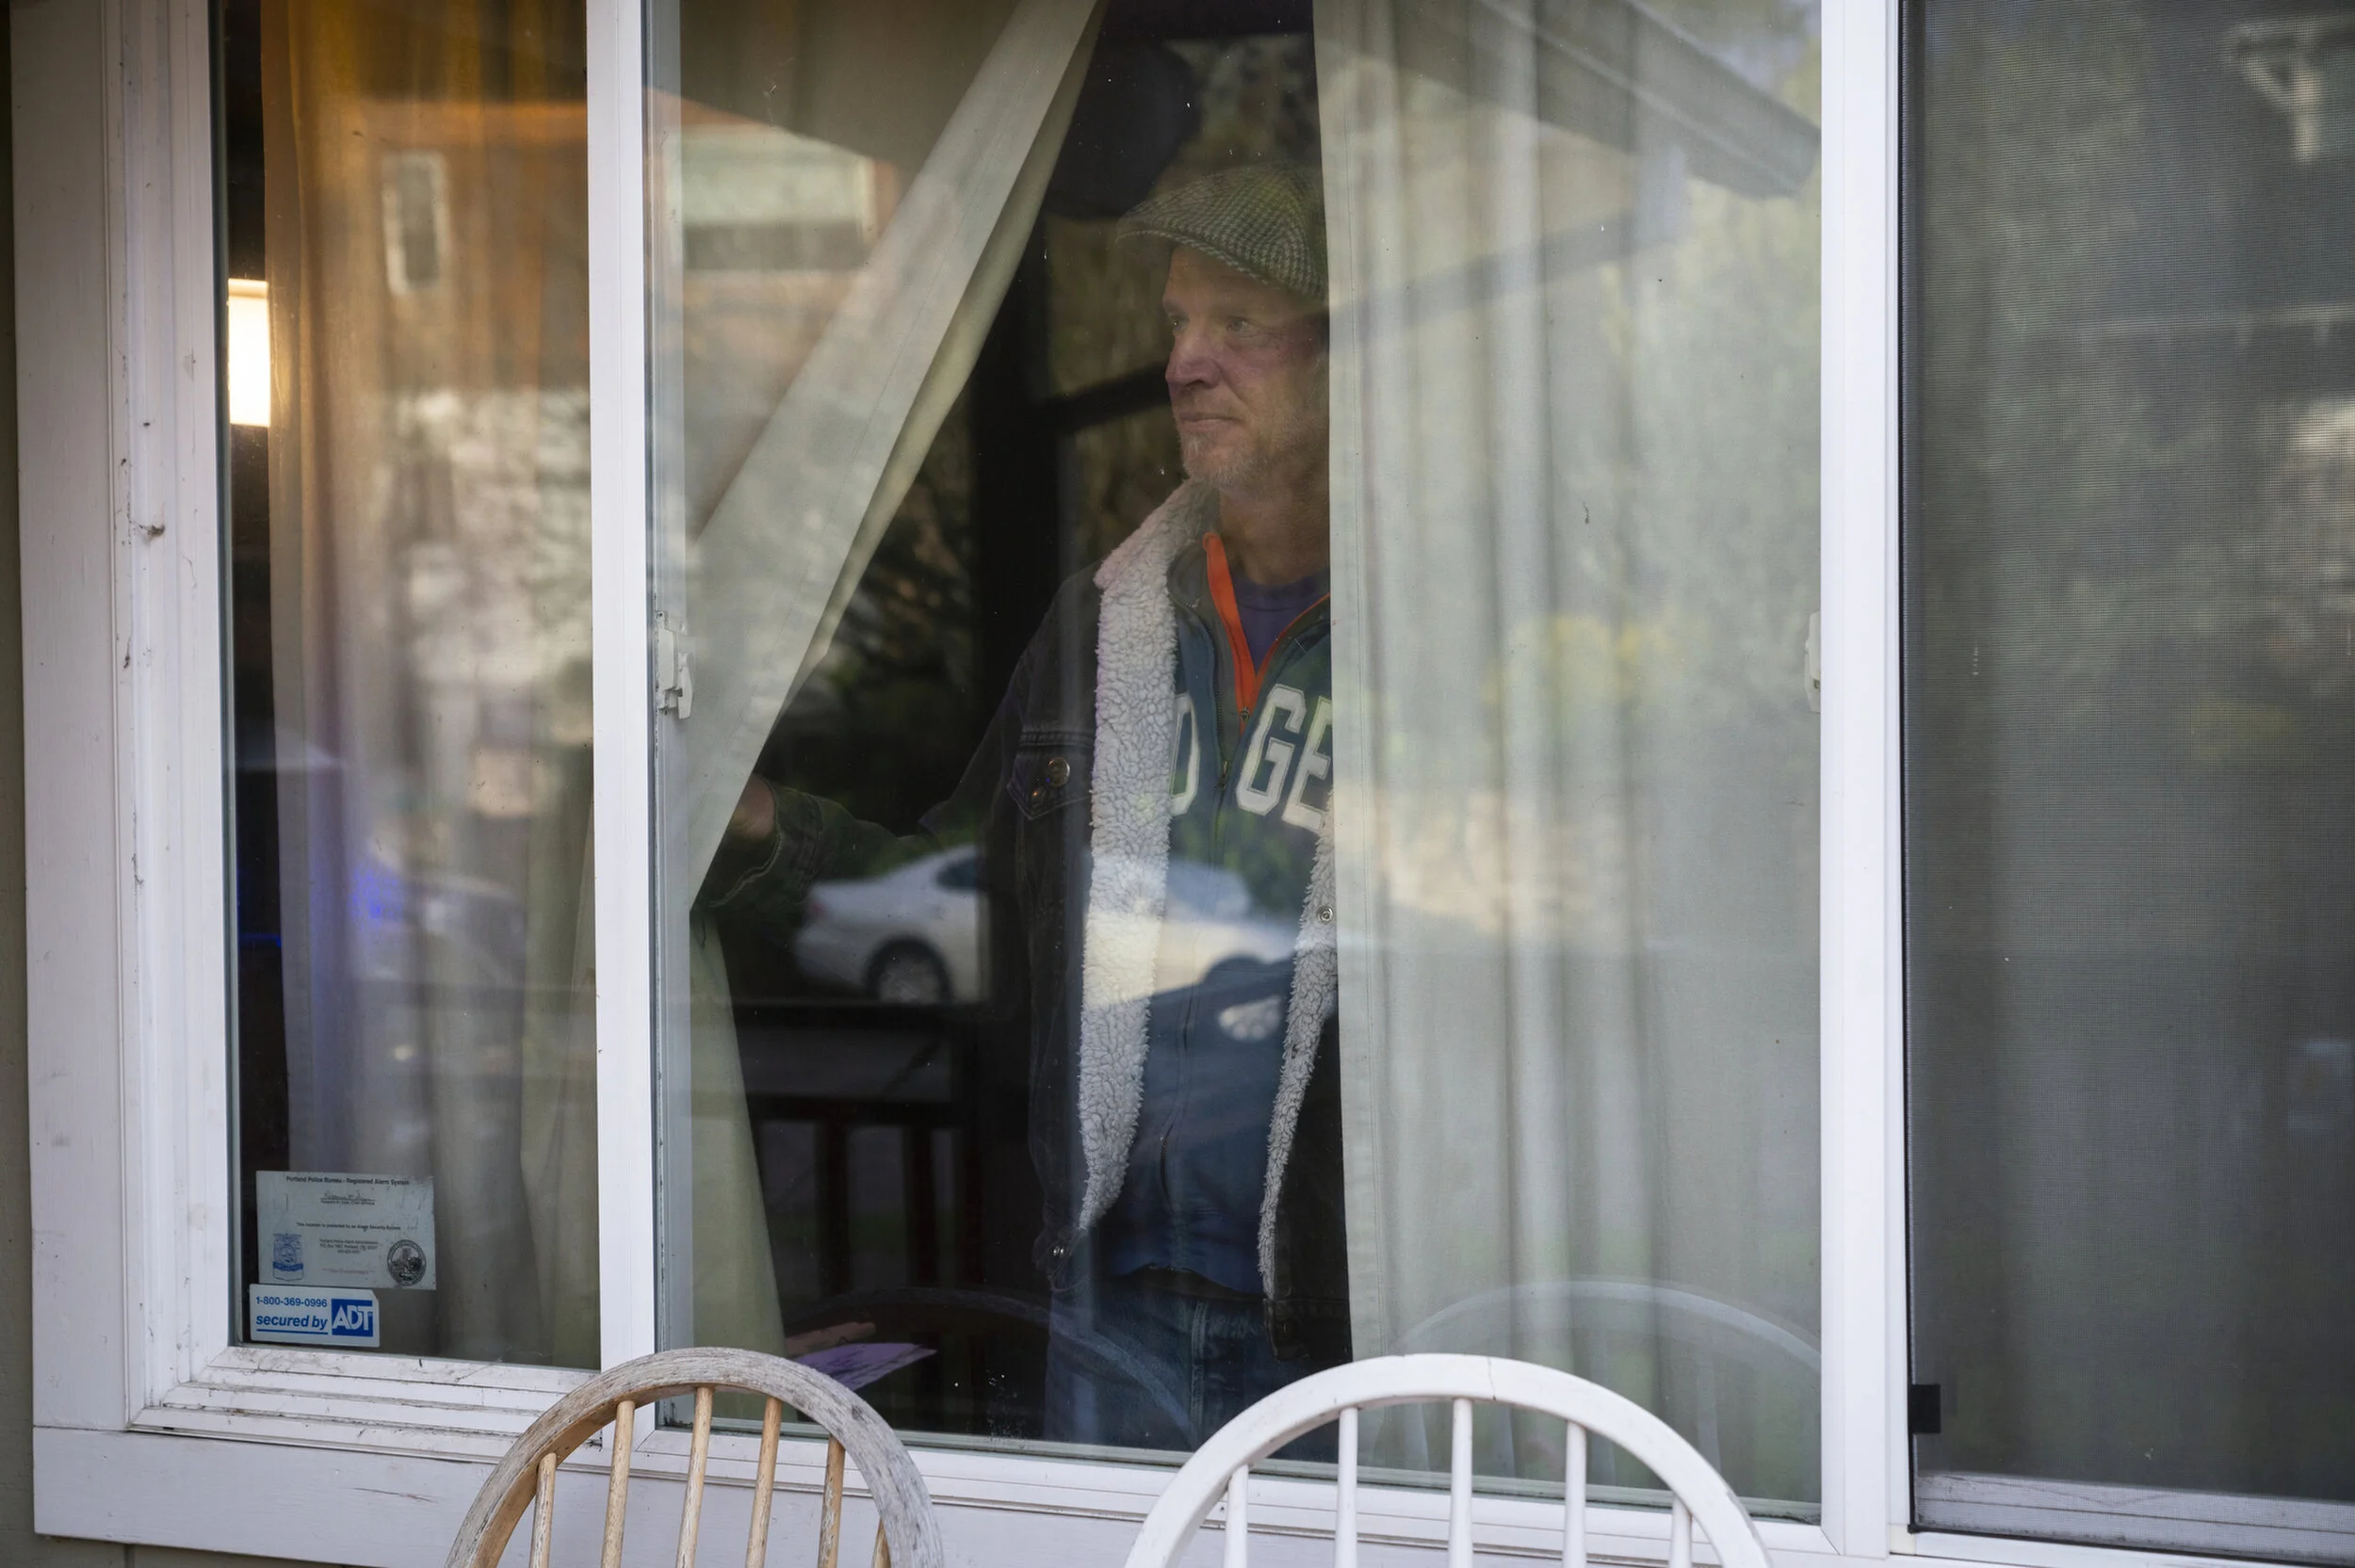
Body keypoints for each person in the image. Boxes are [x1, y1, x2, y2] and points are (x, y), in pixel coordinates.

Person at [704, 162, 1346, 1447]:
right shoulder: (1103, 628)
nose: (1182, 363)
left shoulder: (1448, 639)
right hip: (1116, 1312)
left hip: (1352, 1324)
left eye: (1236, 326)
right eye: (1174, 324)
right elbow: (968, 919)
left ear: (1349, 360)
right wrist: (761, 831)